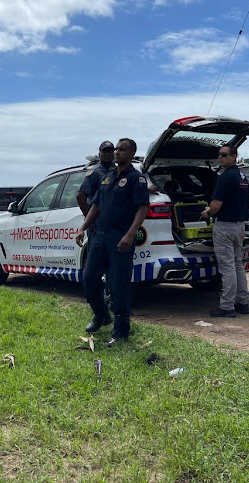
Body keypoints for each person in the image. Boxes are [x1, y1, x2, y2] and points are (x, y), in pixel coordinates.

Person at [75, 138, 149, 345]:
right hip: (100, 236)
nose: (117, 152)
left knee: (119, 284)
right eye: (116, 149)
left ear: (132, 153)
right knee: (89, 278)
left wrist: (130, 234)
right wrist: (83, 227)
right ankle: (101, 315)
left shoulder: (136, 179)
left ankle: (121, 331)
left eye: (122, 149)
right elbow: (96, 206)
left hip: (120, 237)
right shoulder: (106, 177)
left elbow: (143, 208)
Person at [200, 145, 249, 318]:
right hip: (239, 226)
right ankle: (243, 303)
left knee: (227, 266)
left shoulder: (225, 178)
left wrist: (207, 212)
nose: (220, 158)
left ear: (234, 157)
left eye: (224, 155)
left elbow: (216, 206)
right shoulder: (242, 177)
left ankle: (227, 306)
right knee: (238, 264)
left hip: (224, 226)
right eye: (219, 155)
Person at [76, 141, 116, 217]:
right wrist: (89, 219)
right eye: (104, 152)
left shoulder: (118, 171)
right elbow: (80, 196)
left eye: (110, 152)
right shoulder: (95, 172)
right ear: (99, 154)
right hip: (98, 218)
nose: (107, 154)